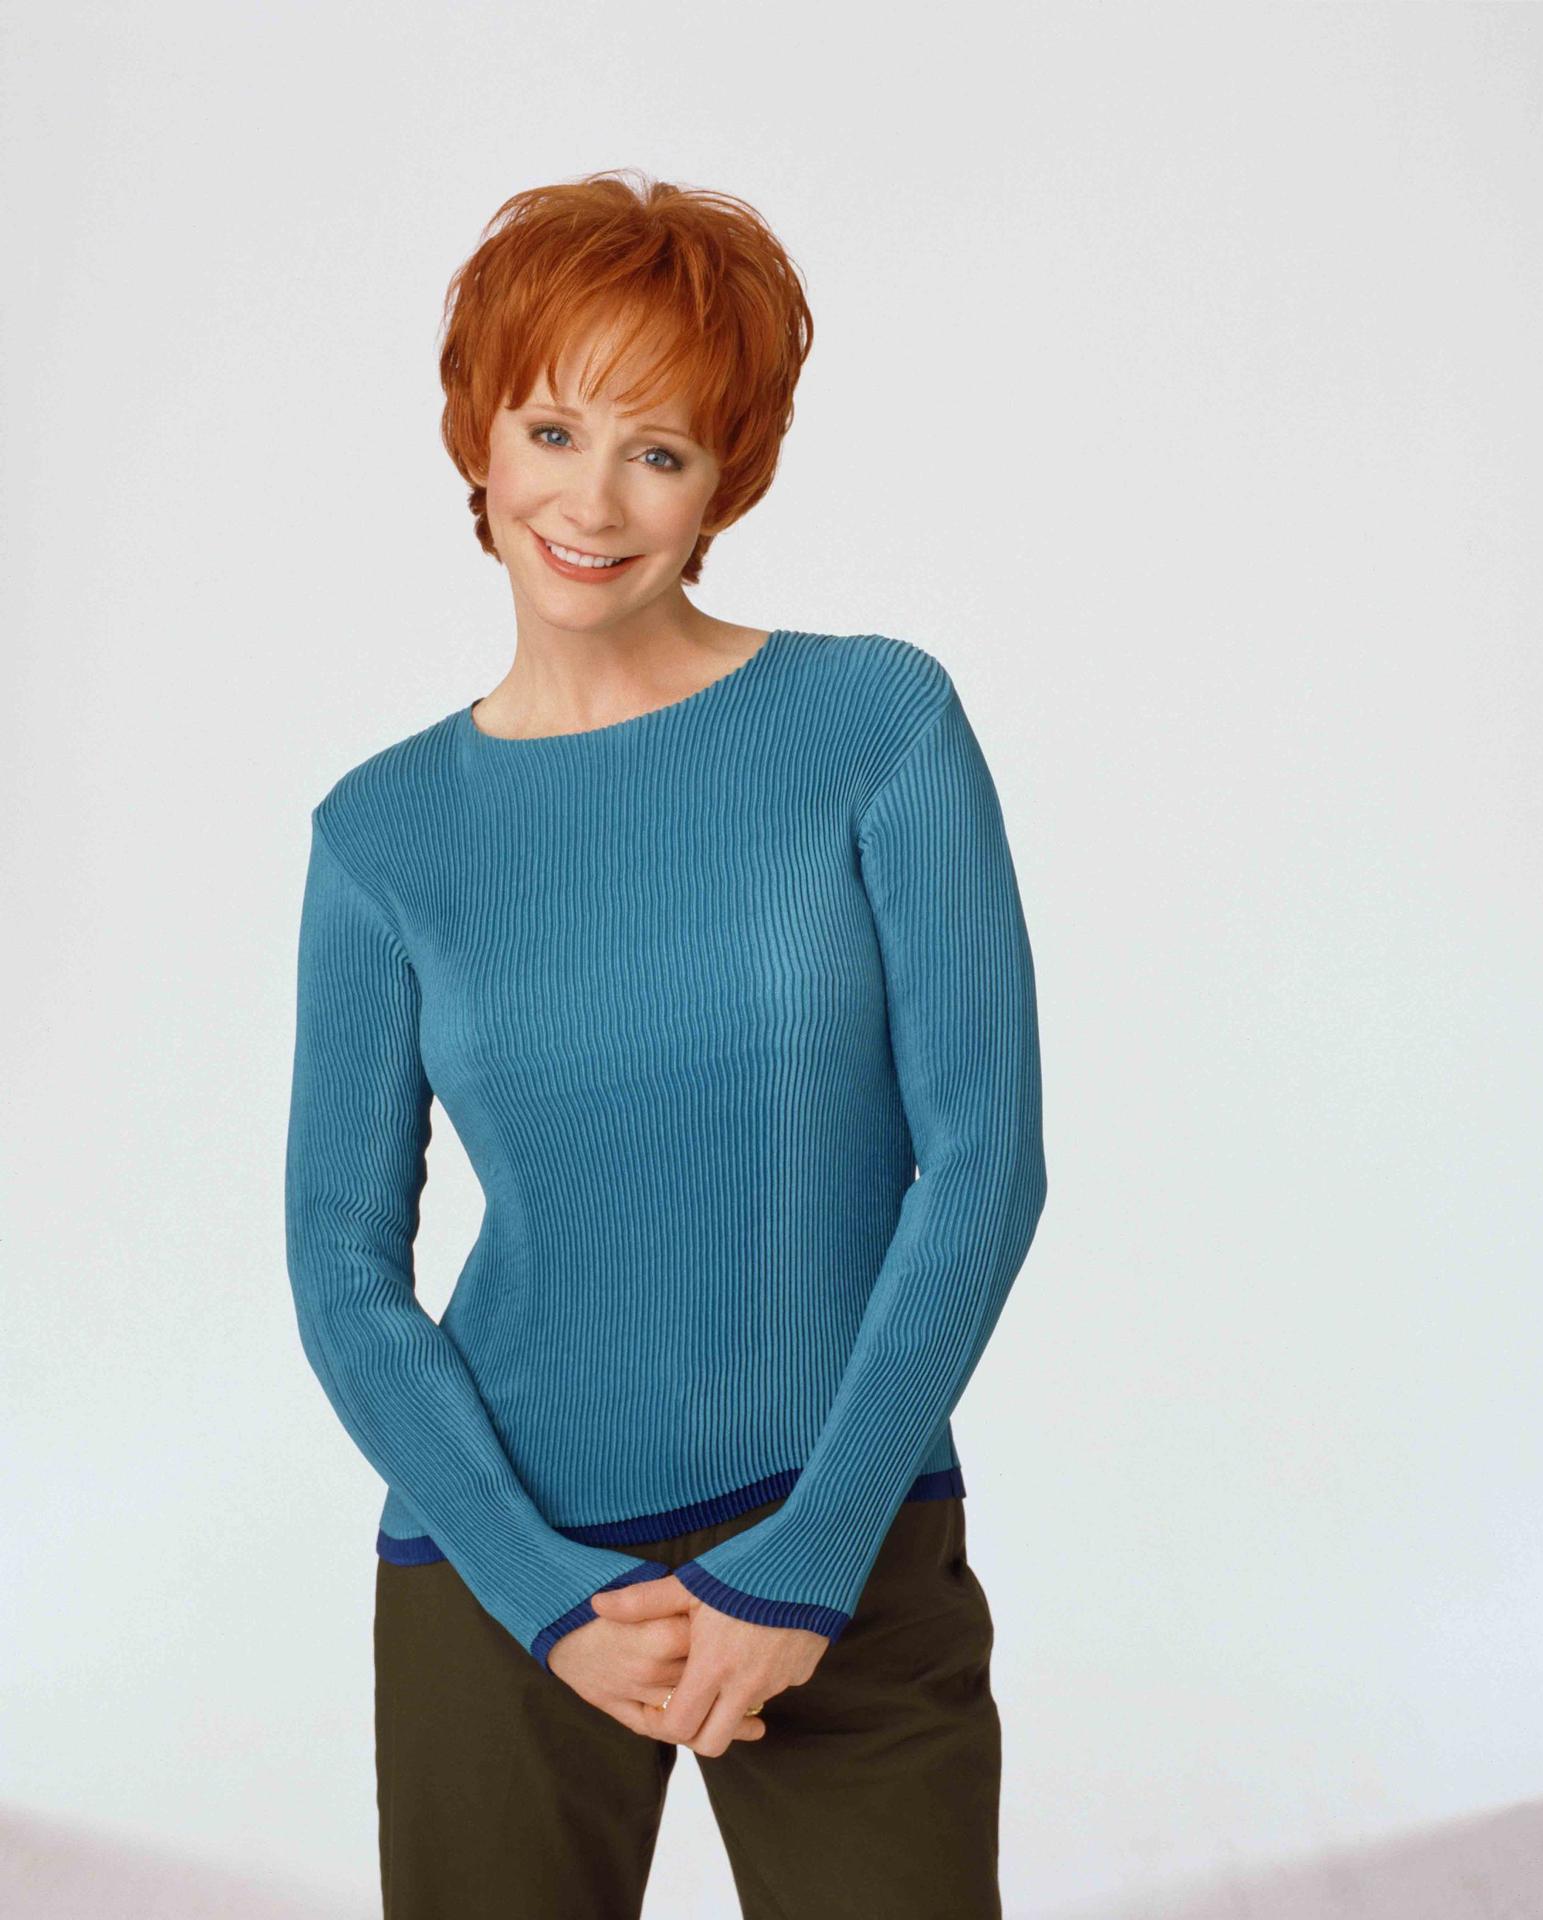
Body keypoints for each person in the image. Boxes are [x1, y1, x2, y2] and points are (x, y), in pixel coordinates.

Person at [283, 167, 1049, 1920]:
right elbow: (340, 1263)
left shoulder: (875, 724)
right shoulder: (382, 833)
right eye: (552, 430)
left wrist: (813, 1561)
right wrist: (542, 1593)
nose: (593, 499)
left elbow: (983, 1161)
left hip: (840, 1540)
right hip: (506, 1573)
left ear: (726, 481)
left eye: (661, 450)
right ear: (479, 440)